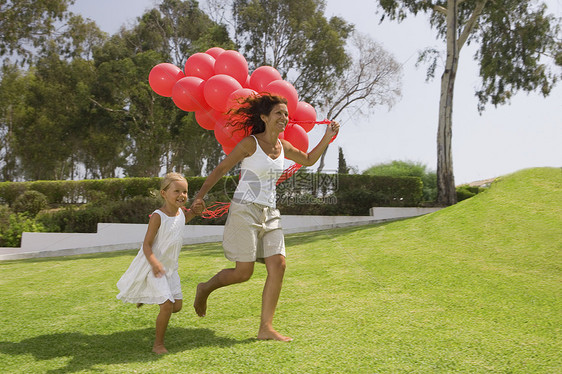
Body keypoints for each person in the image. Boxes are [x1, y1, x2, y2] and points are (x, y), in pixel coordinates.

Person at [190, 93, 339, 342]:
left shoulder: (285, 147)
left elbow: (310, 159)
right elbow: (222, 169)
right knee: (243, 273)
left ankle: (265, 328)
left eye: (286, 114)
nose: (284, 117)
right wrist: (200, 196)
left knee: (278, 265)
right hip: (244, 209)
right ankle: (205, 288)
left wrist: (327, 137)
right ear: (264, 117)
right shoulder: (251, 143)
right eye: (279, 113)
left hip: (270, 212)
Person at [116, 172, 199, 354]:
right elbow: (146, 244)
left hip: (170, 268)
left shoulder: (181, 214)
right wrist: (154, 263)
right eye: (176, 191)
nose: (182, 195)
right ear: (163, 193)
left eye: (185, 192)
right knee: (167, 305)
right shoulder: (157, 216)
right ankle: (158, 345)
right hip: (154, 268)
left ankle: (149, 296)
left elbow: (183, 220)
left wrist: (195, 211)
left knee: (176, 306)